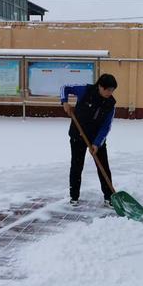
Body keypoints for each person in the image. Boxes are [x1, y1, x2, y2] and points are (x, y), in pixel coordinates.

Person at [60, 73, 117, 207]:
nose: (110, 93)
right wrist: (64, 101)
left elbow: (106, 127)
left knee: (103, 166)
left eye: (112, 90)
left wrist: (97, 144)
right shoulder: (85, 90)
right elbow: (65, 87)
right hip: (78, 134)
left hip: (96, 137)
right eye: (108, 90)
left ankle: (109, 197)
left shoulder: (110, 104)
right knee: (77, 165)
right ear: (100, 86)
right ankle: (74, 196)